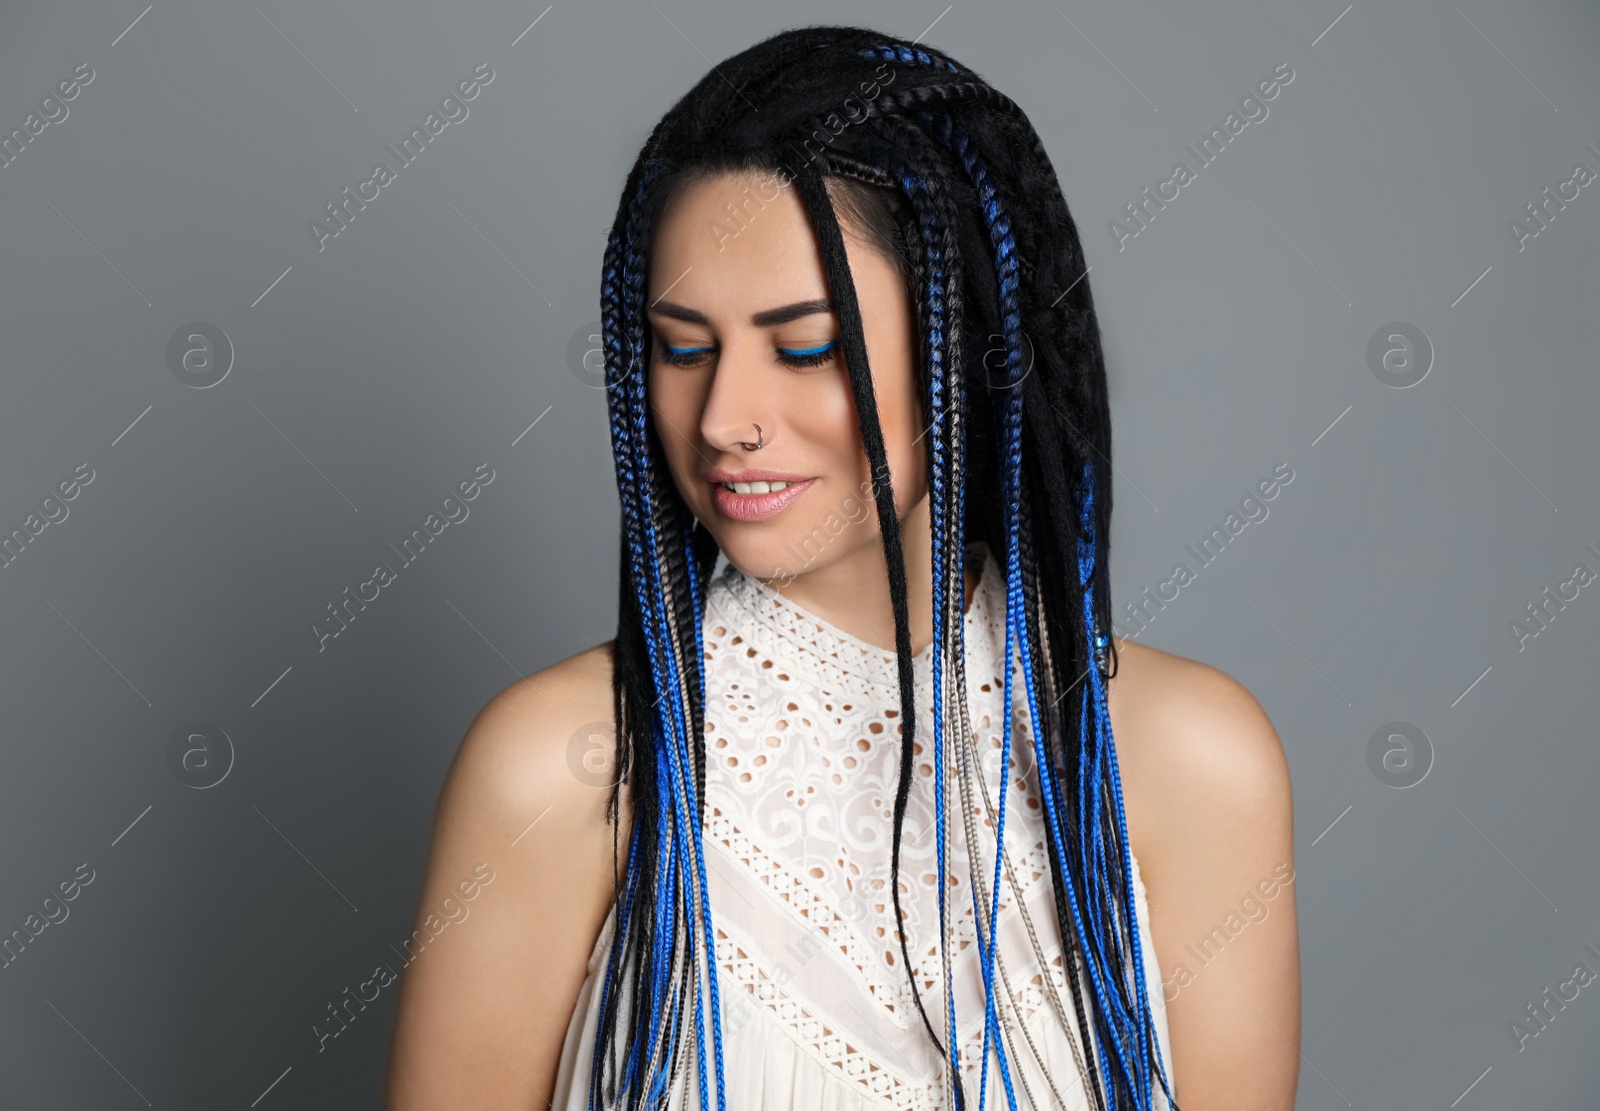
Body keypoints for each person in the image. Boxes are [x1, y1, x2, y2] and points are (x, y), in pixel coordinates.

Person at [385, 25, 1299, 1111]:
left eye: (806, 348)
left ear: (970, 347)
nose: (725, 419)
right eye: (683, 347)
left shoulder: (1190, 761)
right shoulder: (560, 771)